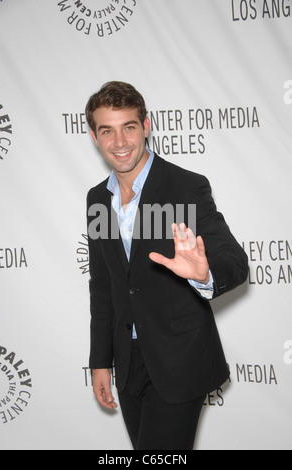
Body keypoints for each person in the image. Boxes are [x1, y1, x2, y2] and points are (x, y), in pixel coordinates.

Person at [85, 81, 248, 450]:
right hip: (127, 363)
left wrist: (204, 275)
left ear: (146, 126)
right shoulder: (98, 199)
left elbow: (234, 261)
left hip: (180, 359)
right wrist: (100, 361)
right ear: (94, 136)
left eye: (128, 126)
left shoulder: (185, 188)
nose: (120, 142)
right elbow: (103, 287)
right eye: (106, 130)